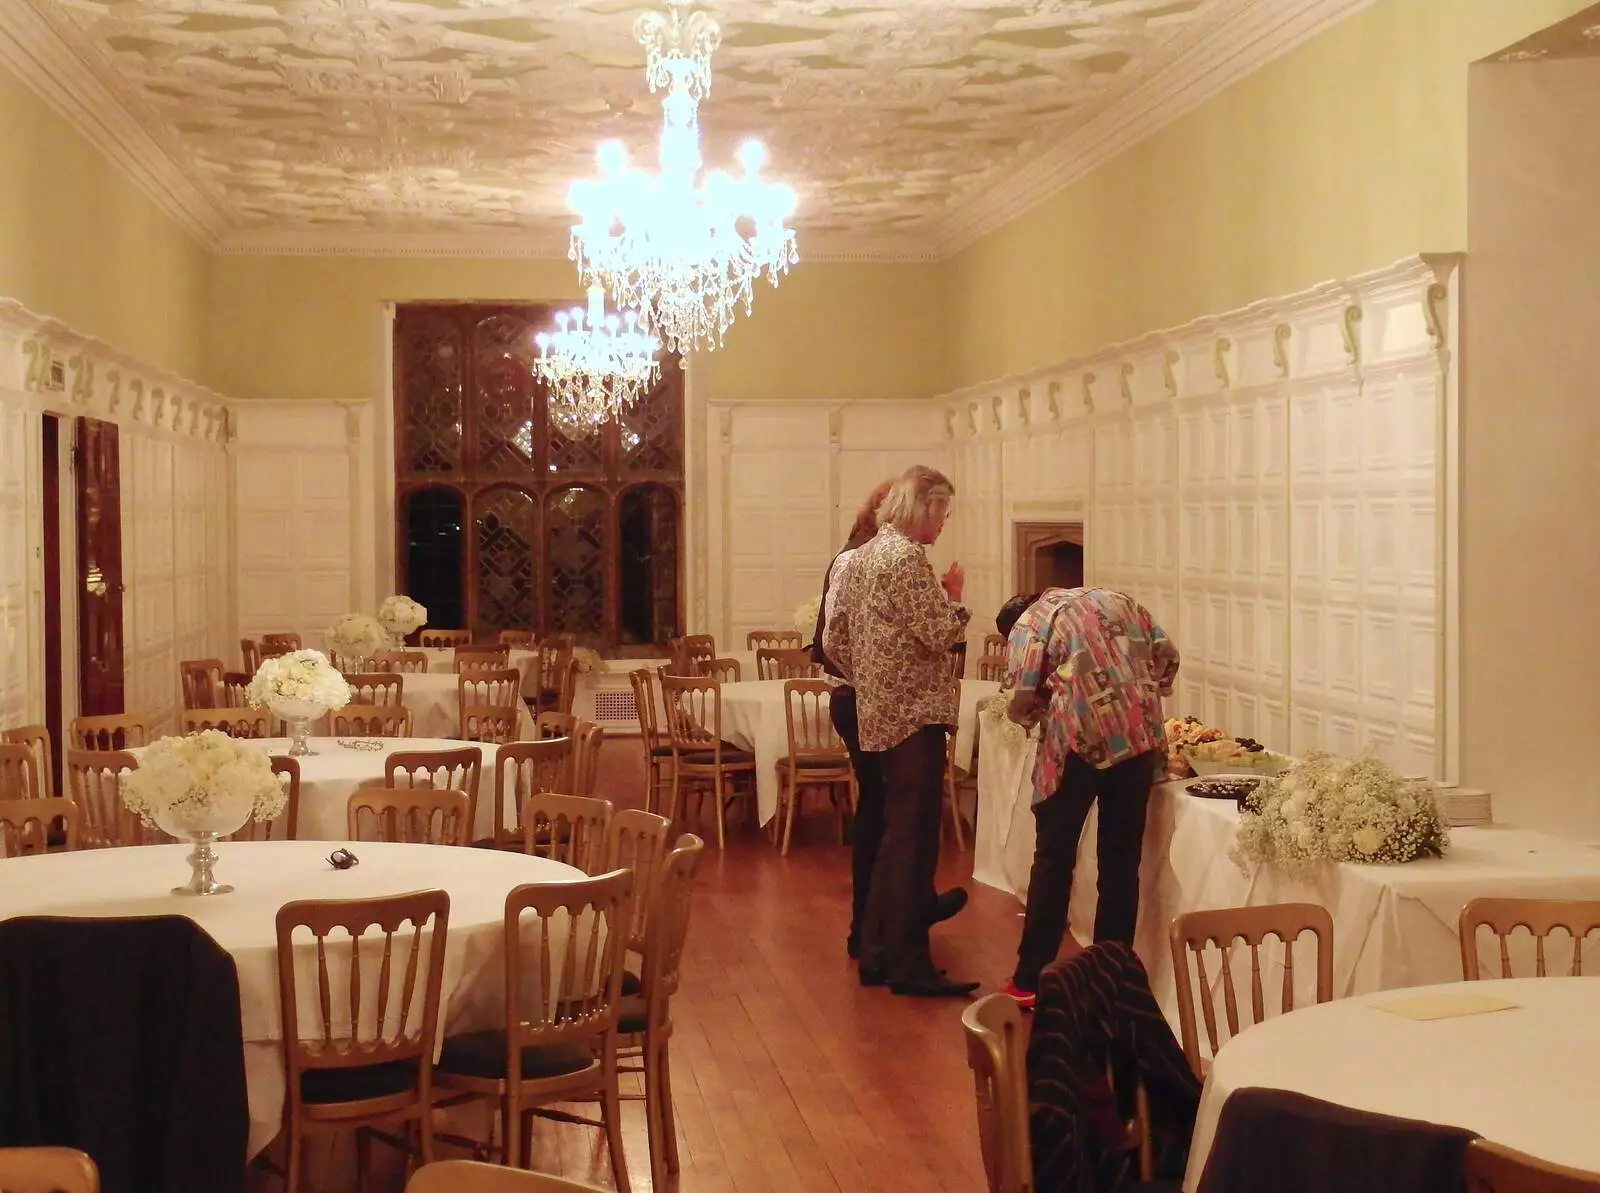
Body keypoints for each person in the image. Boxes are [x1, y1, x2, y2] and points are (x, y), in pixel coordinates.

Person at [824, 465, 977, 997]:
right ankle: (907, 963)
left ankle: (876, 951)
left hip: (880, 709)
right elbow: (940, 634)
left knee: (892, 835)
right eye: (943, 512)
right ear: (924, 506)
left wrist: (868, 680)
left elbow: (834, 637)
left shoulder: (863, 557)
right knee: (911, 840)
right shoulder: (907, 559)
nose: (944, 523)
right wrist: (956, 599)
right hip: (915, 714)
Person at [996, 587, 1180, 1010]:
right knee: (1120, 863)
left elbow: (1022, 691)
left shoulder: (1033, 621)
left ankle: (1031, 980)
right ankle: (1110, 977)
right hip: (1137, 741)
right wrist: (1134, 692)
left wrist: (1027, 712)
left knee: (1054, 861)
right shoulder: (1122, 600)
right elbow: (1167, 659)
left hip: (1077, 743)